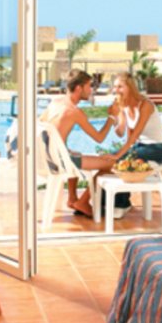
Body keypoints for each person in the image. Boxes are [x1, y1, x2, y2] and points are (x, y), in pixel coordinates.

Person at [39, 69, 117, 217]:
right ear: (79, 88)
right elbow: (99, 138)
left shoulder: (55, 103)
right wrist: (111, 117)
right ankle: (83, 201)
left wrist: (64, 150)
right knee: (110, 164)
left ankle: (72, 199)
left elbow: (42, 126)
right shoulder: (74, 111)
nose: (91, 90)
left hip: (48, 157)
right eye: (89, 86)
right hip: (59, 161)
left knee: (74, 153)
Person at [104, 72, 162, 219]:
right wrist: (114, 116)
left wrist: (119, 154)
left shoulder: (146, 105)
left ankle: (121, 205)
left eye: (120, 86)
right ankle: (108, 202)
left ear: (130, 87)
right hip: (141, 145)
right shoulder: (124, 106)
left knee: (121, 158)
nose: (116, 90)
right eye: (115, 87)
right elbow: (121, 133)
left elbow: (134, 136)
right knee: (107, 159)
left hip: (157, 148)